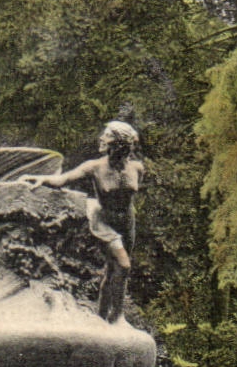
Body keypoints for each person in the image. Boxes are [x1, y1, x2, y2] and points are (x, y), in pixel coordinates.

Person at [20, 121, 145, 323]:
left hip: (127, 221)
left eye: (107, 136)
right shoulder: (94, 167)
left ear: (119, 143)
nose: (102, 139)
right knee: (124, 265)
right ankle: (118, 316)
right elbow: (63, 179)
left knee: (113, 269)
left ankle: (103, 318)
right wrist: (40, 179)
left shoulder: (137, 168)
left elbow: (129, 195)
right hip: (104, 219)